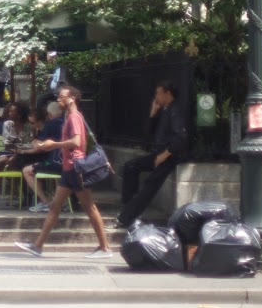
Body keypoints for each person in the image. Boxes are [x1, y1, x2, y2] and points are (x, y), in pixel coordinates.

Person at [16, 84, 112, 258]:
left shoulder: (74, 117)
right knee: (54, 207)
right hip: (70, 168)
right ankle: (38, 246)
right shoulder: (71, 116)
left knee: (89, 207)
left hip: (75, 167)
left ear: (72, 98)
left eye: (62, 96)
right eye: (58, 96)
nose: (59, 99)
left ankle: (105, 248)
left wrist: (54, 144)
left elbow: (76, 142)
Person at [117, 81, 189, 229]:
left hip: (170, 155)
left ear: (167, 93)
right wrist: (152, 113)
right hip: (159, 153)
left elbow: (180, 138)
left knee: (150, 184)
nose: (156, 97)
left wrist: (165, 155)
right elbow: (147, 135)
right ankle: (128, 207)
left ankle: (126, 218)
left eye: (158, 93)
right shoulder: (164, 111)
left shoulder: (176, 111)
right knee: (130, 166)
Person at [19, 102, 64, 211]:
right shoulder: (65, 122)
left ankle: (45, 202)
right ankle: (63, 201)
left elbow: (38, 146)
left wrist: (34, 141)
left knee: (26, 170)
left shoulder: (51, 124)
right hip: (67, 162)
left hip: (54, 162)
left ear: (49, 114)